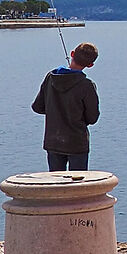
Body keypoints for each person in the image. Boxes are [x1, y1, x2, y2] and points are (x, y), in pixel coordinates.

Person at [31, 42, 100, 171]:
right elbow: (92, 118)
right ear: (90, 65)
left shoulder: (51, 78)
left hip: (53, 141)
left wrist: (55, 110)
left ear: (72, 54)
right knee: (77, 186)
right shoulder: (87, 85)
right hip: (77, 143)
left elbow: (37, 107)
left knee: (56, 184)